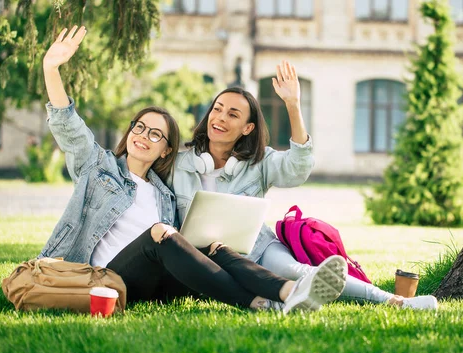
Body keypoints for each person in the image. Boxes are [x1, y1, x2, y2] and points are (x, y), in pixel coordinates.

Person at [37, 25, 347, 314]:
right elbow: (69, 129)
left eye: (155, 134)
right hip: (108, 281)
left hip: (157, 283)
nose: (144, 136)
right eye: (140, 127)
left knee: (211, 246)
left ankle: (290, 291)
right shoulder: (100, 169)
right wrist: (51, 70)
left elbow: (297, 166)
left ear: (167, 150)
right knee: (162, 232)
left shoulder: (163, 192)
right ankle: (258, 303)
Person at [170, 61, 438, 310]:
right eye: (217, 109)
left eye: (232, 114)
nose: (220, 118)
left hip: (259, 248)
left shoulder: (258, 162)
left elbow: (298, 168)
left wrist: (293, 104)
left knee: (298, 271)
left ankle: (396, 301)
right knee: (257, 282)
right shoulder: (177, 166)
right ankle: (283, 299)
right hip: (209, 259)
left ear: (247, 128)